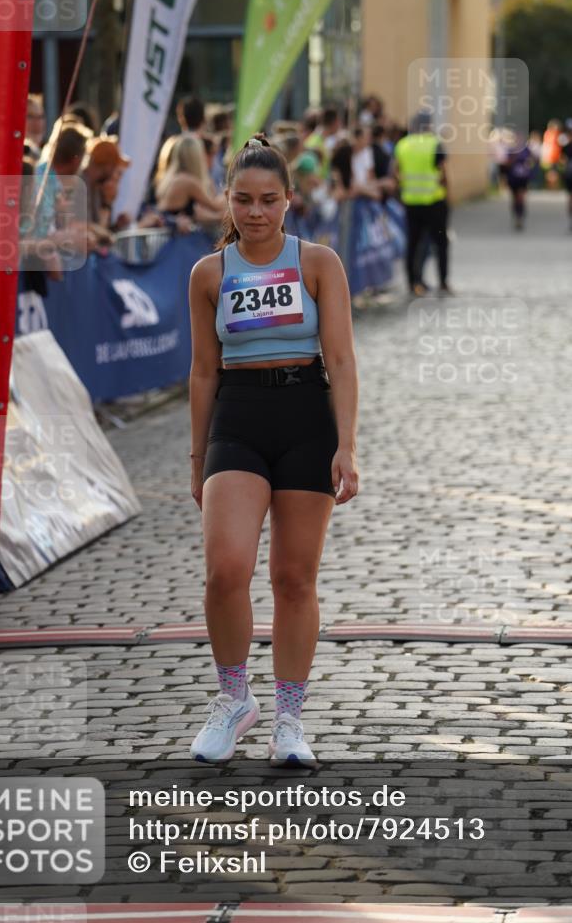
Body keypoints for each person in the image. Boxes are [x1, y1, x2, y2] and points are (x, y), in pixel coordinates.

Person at [188, 135, 359, 766]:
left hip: (305, 415)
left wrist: (347, 445)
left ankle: (289, 718)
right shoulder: (209, 274)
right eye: (242, 200)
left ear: (289, 200)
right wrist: (195, 456)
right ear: (226, 201)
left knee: (293, 578)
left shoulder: (318, 263)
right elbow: (203, 371)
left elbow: (340, 358)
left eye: (268, 200)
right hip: (238, 414)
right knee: (225, 569)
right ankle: (233, 699)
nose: (255, 212)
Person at [392, 110, 451, 296]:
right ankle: (443, 282)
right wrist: (448, 194)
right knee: (440, 243)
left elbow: (395, 171)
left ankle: (412, 282)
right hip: (434, 201)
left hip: (411, 203)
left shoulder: (402, 145)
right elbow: (443, 173)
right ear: (428, 126)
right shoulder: (435, 143)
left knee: (413, 244)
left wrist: (402, 188)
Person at [504, 132, 536, 232]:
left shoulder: (526, 150)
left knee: (521, 198)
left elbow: (534, 159)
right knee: (515, 199)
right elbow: (507, 164)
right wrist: (514, 158)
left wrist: (529, 165)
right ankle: (516, 215)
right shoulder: (511, 150)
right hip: (513, 178)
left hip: (523, 178)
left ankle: (520, 217)